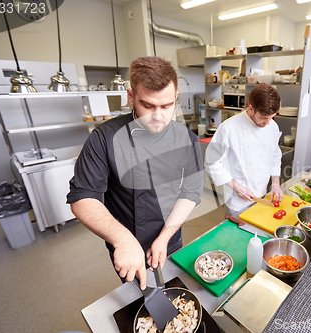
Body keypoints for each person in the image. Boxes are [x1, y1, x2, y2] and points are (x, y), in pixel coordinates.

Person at [67, 57, 203, 290]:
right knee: (141, 298)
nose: (158, 116)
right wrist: (122, 239)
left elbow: (190, 193)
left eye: (167, 106)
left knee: (175, 292)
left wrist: (165, 237)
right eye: (148, 106)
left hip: (170, 238)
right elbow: (83, 198)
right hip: (127, 245)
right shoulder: (104, 138)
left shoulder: (187, 140)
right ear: (131, 97)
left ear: (176, 99)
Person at [205, 83, 284, 217]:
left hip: (263, 196)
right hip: (237, 200)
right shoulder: (229, 127)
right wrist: (237, 187)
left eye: (272, 117)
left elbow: (275, 155)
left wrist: (275, 184)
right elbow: (212, 163)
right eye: (263, 118)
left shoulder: (272, 126)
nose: (268, 122)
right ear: (251, 108)